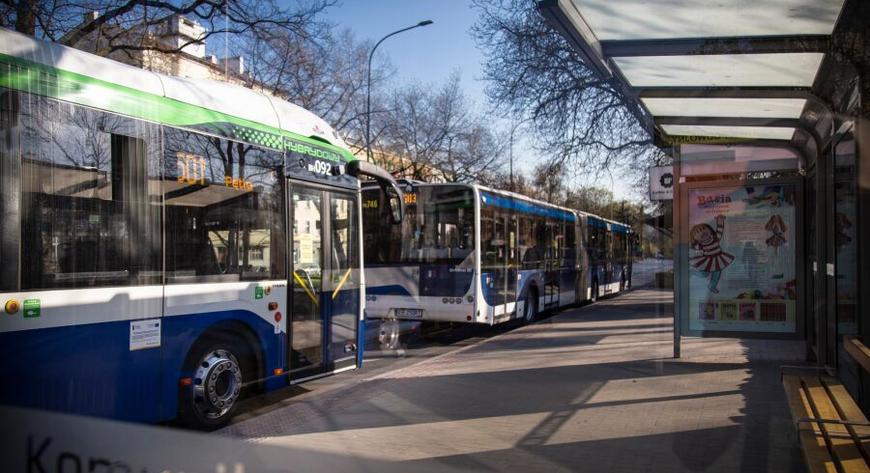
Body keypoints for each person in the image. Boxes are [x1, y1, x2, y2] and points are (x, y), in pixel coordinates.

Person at [689, 215, 734, 293]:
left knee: (717, 273)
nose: (702, 233)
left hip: (718, 258)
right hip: (707, 261)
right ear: (695, 238)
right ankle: (692, 272)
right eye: (698, 233)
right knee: (704, 274)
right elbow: (691, 247)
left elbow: (720, 230)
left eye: (703, 229)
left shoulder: (715, 238)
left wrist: (720, 220)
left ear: (709, 230)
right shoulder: (700, 245)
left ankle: (712, 286)